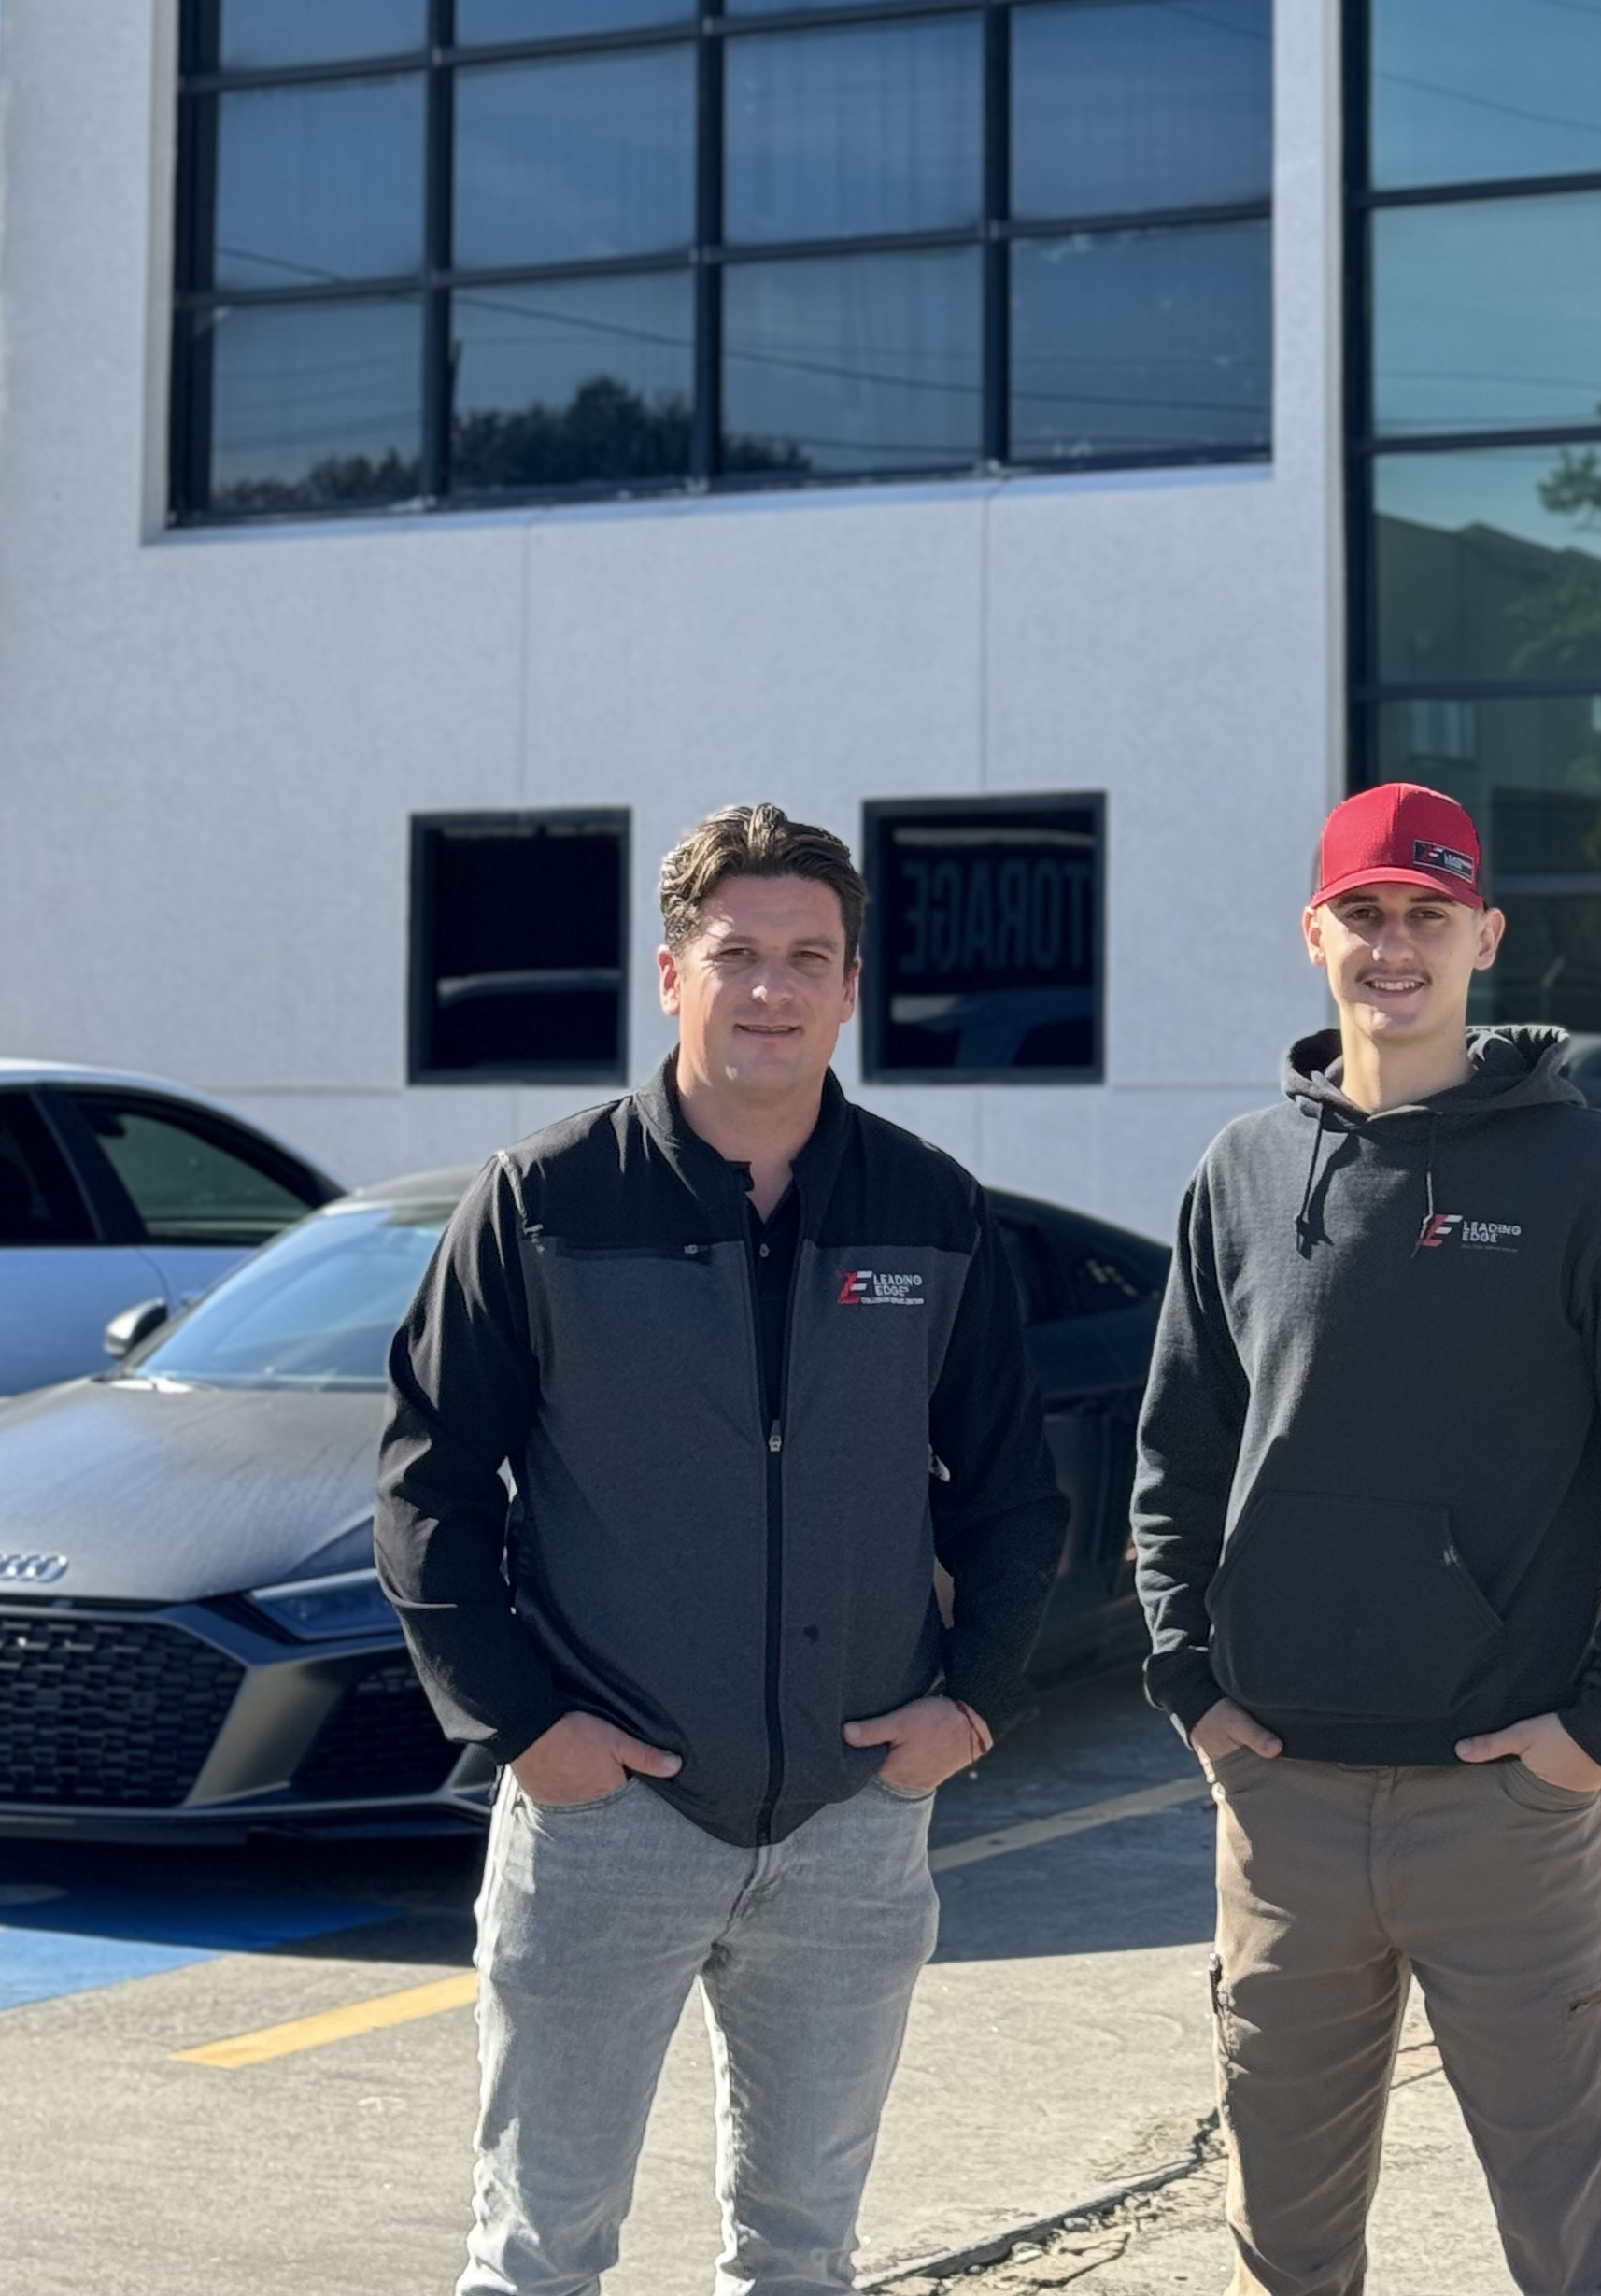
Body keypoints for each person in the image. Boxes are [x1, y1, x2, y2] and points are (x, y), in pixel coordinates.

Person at [378, 801, 1064, 2296]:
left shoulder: (928, 1208)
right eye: (737, 951)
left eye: (808, 956)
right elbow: (429, 1485)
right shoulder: (543, 1203)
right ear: (672, 973)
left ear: (849, 987)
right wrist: (525, 1731)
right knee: (540, 2251)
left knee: (803, 2253)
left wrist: (971, 1707)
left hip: (852, 1818)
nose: (773, 987)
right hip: (606, 1819)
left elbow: (1012, 1493)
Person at [1130, 781, 1601, 2296]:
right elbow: (1172, 1469)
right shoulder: (1243, 1175)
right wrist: (1192, 1690)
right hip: (1283, 1810)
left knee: (1583, 2246)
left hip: (1506, 1815)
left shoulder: (1586, 1172)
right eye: (1365, 915)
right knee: (1288, 2245)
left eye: (1428, 914)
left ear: (1485, 937)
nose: (1393, 947)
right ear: (1314, 936)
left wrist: (1596, 1732)